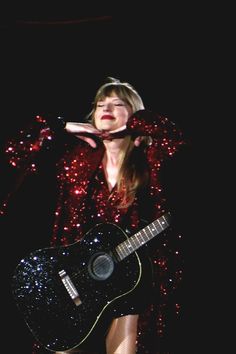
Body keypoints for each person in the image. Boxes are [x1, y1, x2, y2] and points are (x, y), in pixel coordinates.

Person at [2, 77, 186, 354]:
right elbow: (15, 151)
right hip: (75, 277)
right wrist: (63, 125)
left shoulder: (150, 160)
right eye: (100, 104)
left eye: (117, 103)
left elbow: (177, 139)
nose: (105, 108)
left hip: (129, 281)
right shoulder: (76, 157)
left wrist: (136, 124)